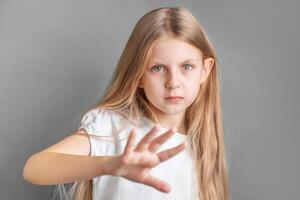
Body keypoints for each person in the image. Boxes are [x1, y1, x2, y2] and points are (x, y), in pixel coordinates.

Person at [23, 6, 230, 200]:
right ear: (138, 76)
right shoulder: (114, 127)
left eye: (186, 66)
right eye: (158, 68)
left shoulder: (203, 146)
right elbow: (34, 168)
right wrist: (111, 165)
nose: (173, 83)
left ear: (205, 70)